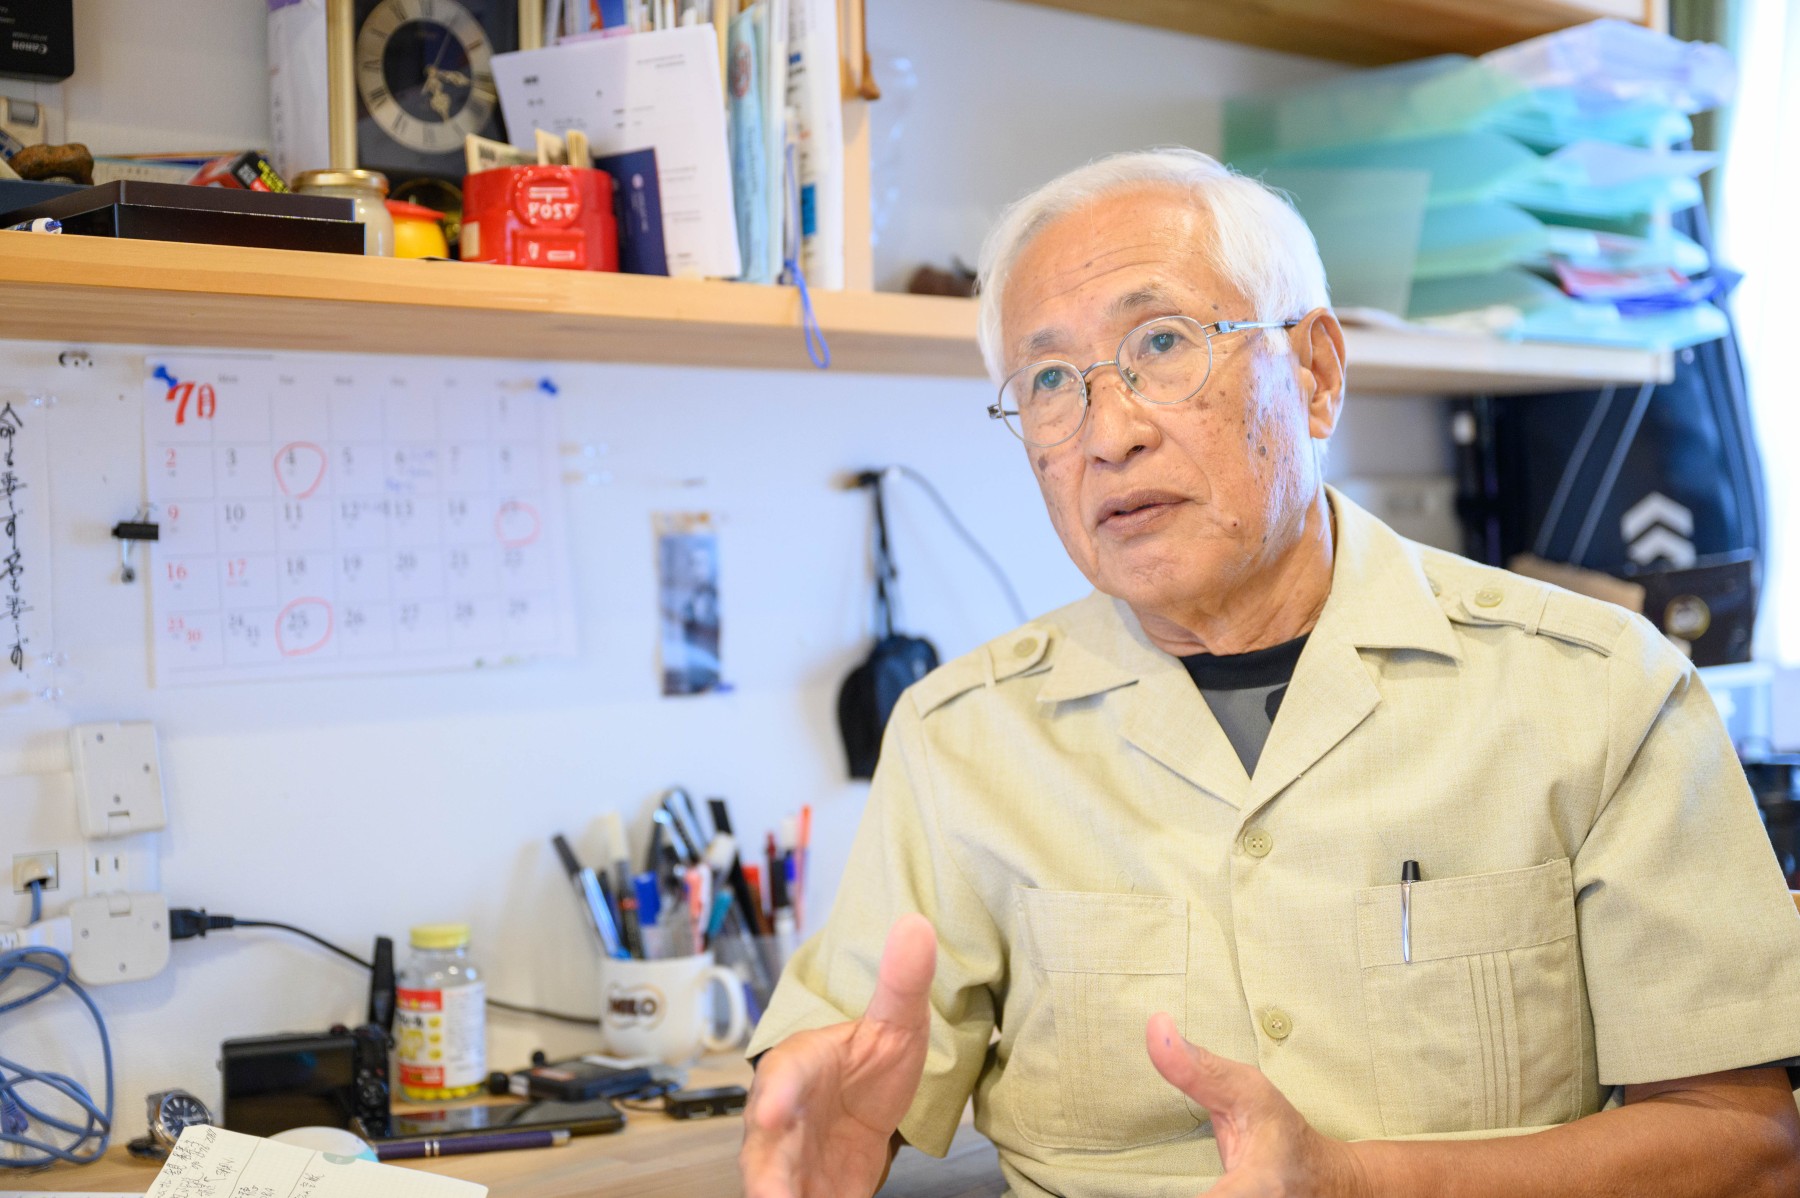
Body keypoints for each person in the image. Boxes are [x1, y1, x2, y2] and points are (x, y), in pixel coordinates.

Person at [739, 148, 1800, 1198]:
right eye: (1050, 380)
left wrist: (1358, 1184)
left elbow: (1745, 1146)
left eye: (1162, 343)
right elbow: (848, 1073)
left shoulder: (1599, 690)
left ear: (1316, 373)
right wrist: (837, 1136)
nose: (1108, 434)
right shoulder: (959, 738)